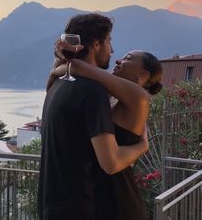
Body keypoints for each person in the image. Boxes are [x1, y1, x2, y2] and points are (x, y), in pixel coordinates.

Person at [38, 13, 149, 220]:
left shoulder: (57, 84)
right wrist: (143, 146)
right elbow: (111, 162)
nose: (112, 50)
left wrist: (63, 64)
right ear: (96, 44)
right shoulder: (92, 92)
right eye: (109, 41)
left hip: (51, 207)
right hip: (78, 210)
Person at [51, 47, 163, 220]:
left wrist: (55, 72)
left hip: (119, 198)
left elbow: (77, 68)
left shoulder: (137, 97)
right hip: (101, 194)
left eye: (128, 58)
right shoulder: (111, 98)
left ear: (143, 75)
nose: (119, 60)